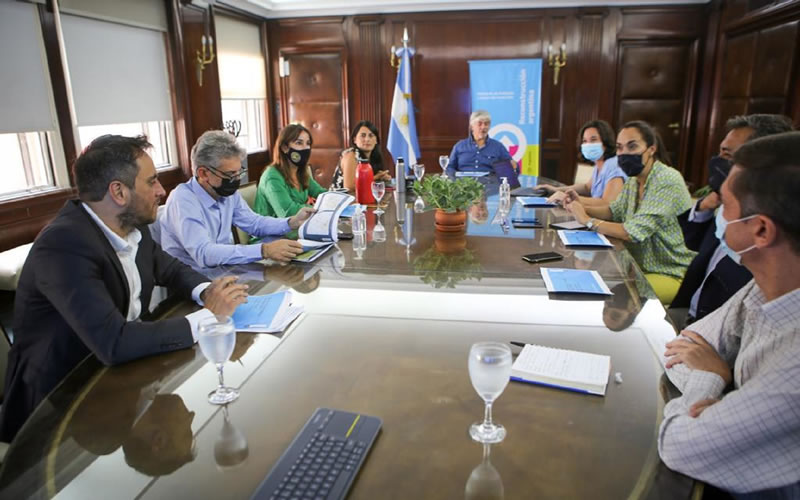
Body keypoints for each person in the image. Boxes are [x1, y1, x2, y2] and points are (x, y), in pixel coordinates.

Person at [0, 135, 248, 442]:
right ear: (118, 191)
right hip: (58, 413)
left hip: (121, 379)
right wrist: (208, 317)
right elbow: (114, 341)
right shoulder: (64, 245)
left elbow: (170, 269)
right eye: (152, 181)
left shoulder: (132, 225)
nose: (161, 191)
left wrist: (208, 291)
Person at [659, 131, 800, 498]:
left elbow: (678, 444)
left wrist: (713, 378)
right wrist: (732, 400)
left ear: (761, 229)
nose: (716, 212)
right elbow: (683, 346)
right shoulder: (761, 289)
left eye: (725, 204)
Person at [669, 114, 794, 328]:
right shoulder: (724, 202)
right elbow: (693, 243)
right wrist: (703, 208)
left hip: (712, 330)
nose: (718, 161)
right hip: (690, 313)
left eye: (727, 155)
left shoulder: (771, 242)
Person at [561, 121, 695, 305]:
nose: (624, 153)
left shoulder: (666, 180)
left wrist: (587, 219)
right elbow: (613, 211)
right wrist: (578, 206)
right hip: (637, 266)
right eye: (620, 147)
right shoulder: (634, 179)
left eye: (632, 146)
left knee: (618, 293)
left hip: (670, 272)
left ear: (651, 149)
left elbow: (631, 232)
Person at [160, 130, 313, 268]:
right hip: (193, 281)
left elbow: (254, 223)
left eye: (238, 172)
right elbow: (204, 253)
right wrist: (264, 250)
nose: (236, 179)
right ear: (203, 173)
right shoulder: (183, 199)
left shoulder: (225, 193)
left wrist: (291, 222)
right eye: (229, 174)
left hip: (225, 270)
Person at [539, 120, 627, 204]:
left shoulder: (613, 166)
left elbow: (608, 203)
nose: (588, 144)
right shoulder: (600, 164)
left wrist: (567, 198)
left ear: (606, 142)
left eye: (593, 140)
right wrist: (555, 190)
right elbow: (587, 188)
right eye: (584, 141)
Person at [254, 124, 326, 218]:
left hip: (300, 223)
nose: (305, 148)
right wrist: (320, 208)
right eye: (299, 143)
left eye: (308, 143)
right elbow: (288, 212)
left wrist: (336, 198)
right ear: (285, 148)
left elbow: (320, 193)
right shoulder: (271, 176)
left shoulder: (300, 171)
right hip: (275, 226)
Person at [446, 110, 517, 177]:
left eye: (486, 124)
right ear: (472, 126)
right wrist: (454, 179)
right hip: (464, 184)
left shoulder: (498, 147)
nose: (483, 127)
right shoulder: (459, 146)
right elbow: (450, 167)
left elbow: (514, 169)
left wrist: (513, 167)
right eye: (479, 124)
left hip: (490, 184)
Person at [330, 120, 391, 191]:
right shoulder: (351, 155)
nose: (367, 139)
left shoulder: (375, 156)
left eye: (371, 136)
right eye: (363, 135)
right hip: (340, 197)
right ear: (354, 140)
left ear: (376, 140)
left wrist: (383, 178)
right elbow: (349, 187)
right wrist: (375, 178)